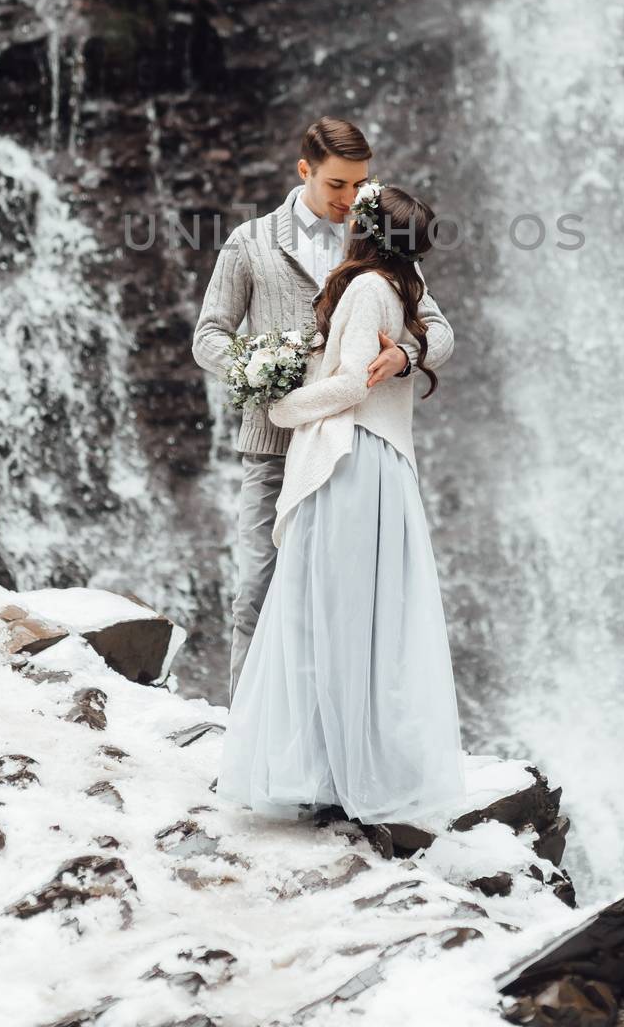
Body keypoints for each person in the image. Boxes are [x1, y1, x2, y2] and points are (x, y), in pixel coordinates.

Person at [214, 181, 467, 826]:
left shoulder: (363, 287)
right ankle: (353, 764)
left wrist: (283, 403)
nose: (346, 205)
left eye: (357, 202)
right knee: (365, 620)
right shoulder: (400, 281)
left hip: (346, 461)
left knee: (322, 615)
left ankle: (323, 773)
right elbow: (213, 331)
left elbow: (352, 382)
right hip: (381, 464)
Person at [192, 117, 454, 704]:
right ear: (304, 170)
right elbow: (208, 335)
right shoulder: (249, 241)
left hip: (349, 447)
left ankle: (327, 750)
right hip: (273, 444)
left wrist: (405, 357)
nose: (349, 198)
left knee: (343, 600)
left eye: (360, 184)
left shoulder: (378, 236)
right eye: (338, 185)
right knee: (256, 591)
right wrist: (259, 367)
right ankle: (246, 747)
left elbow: (439, 330)